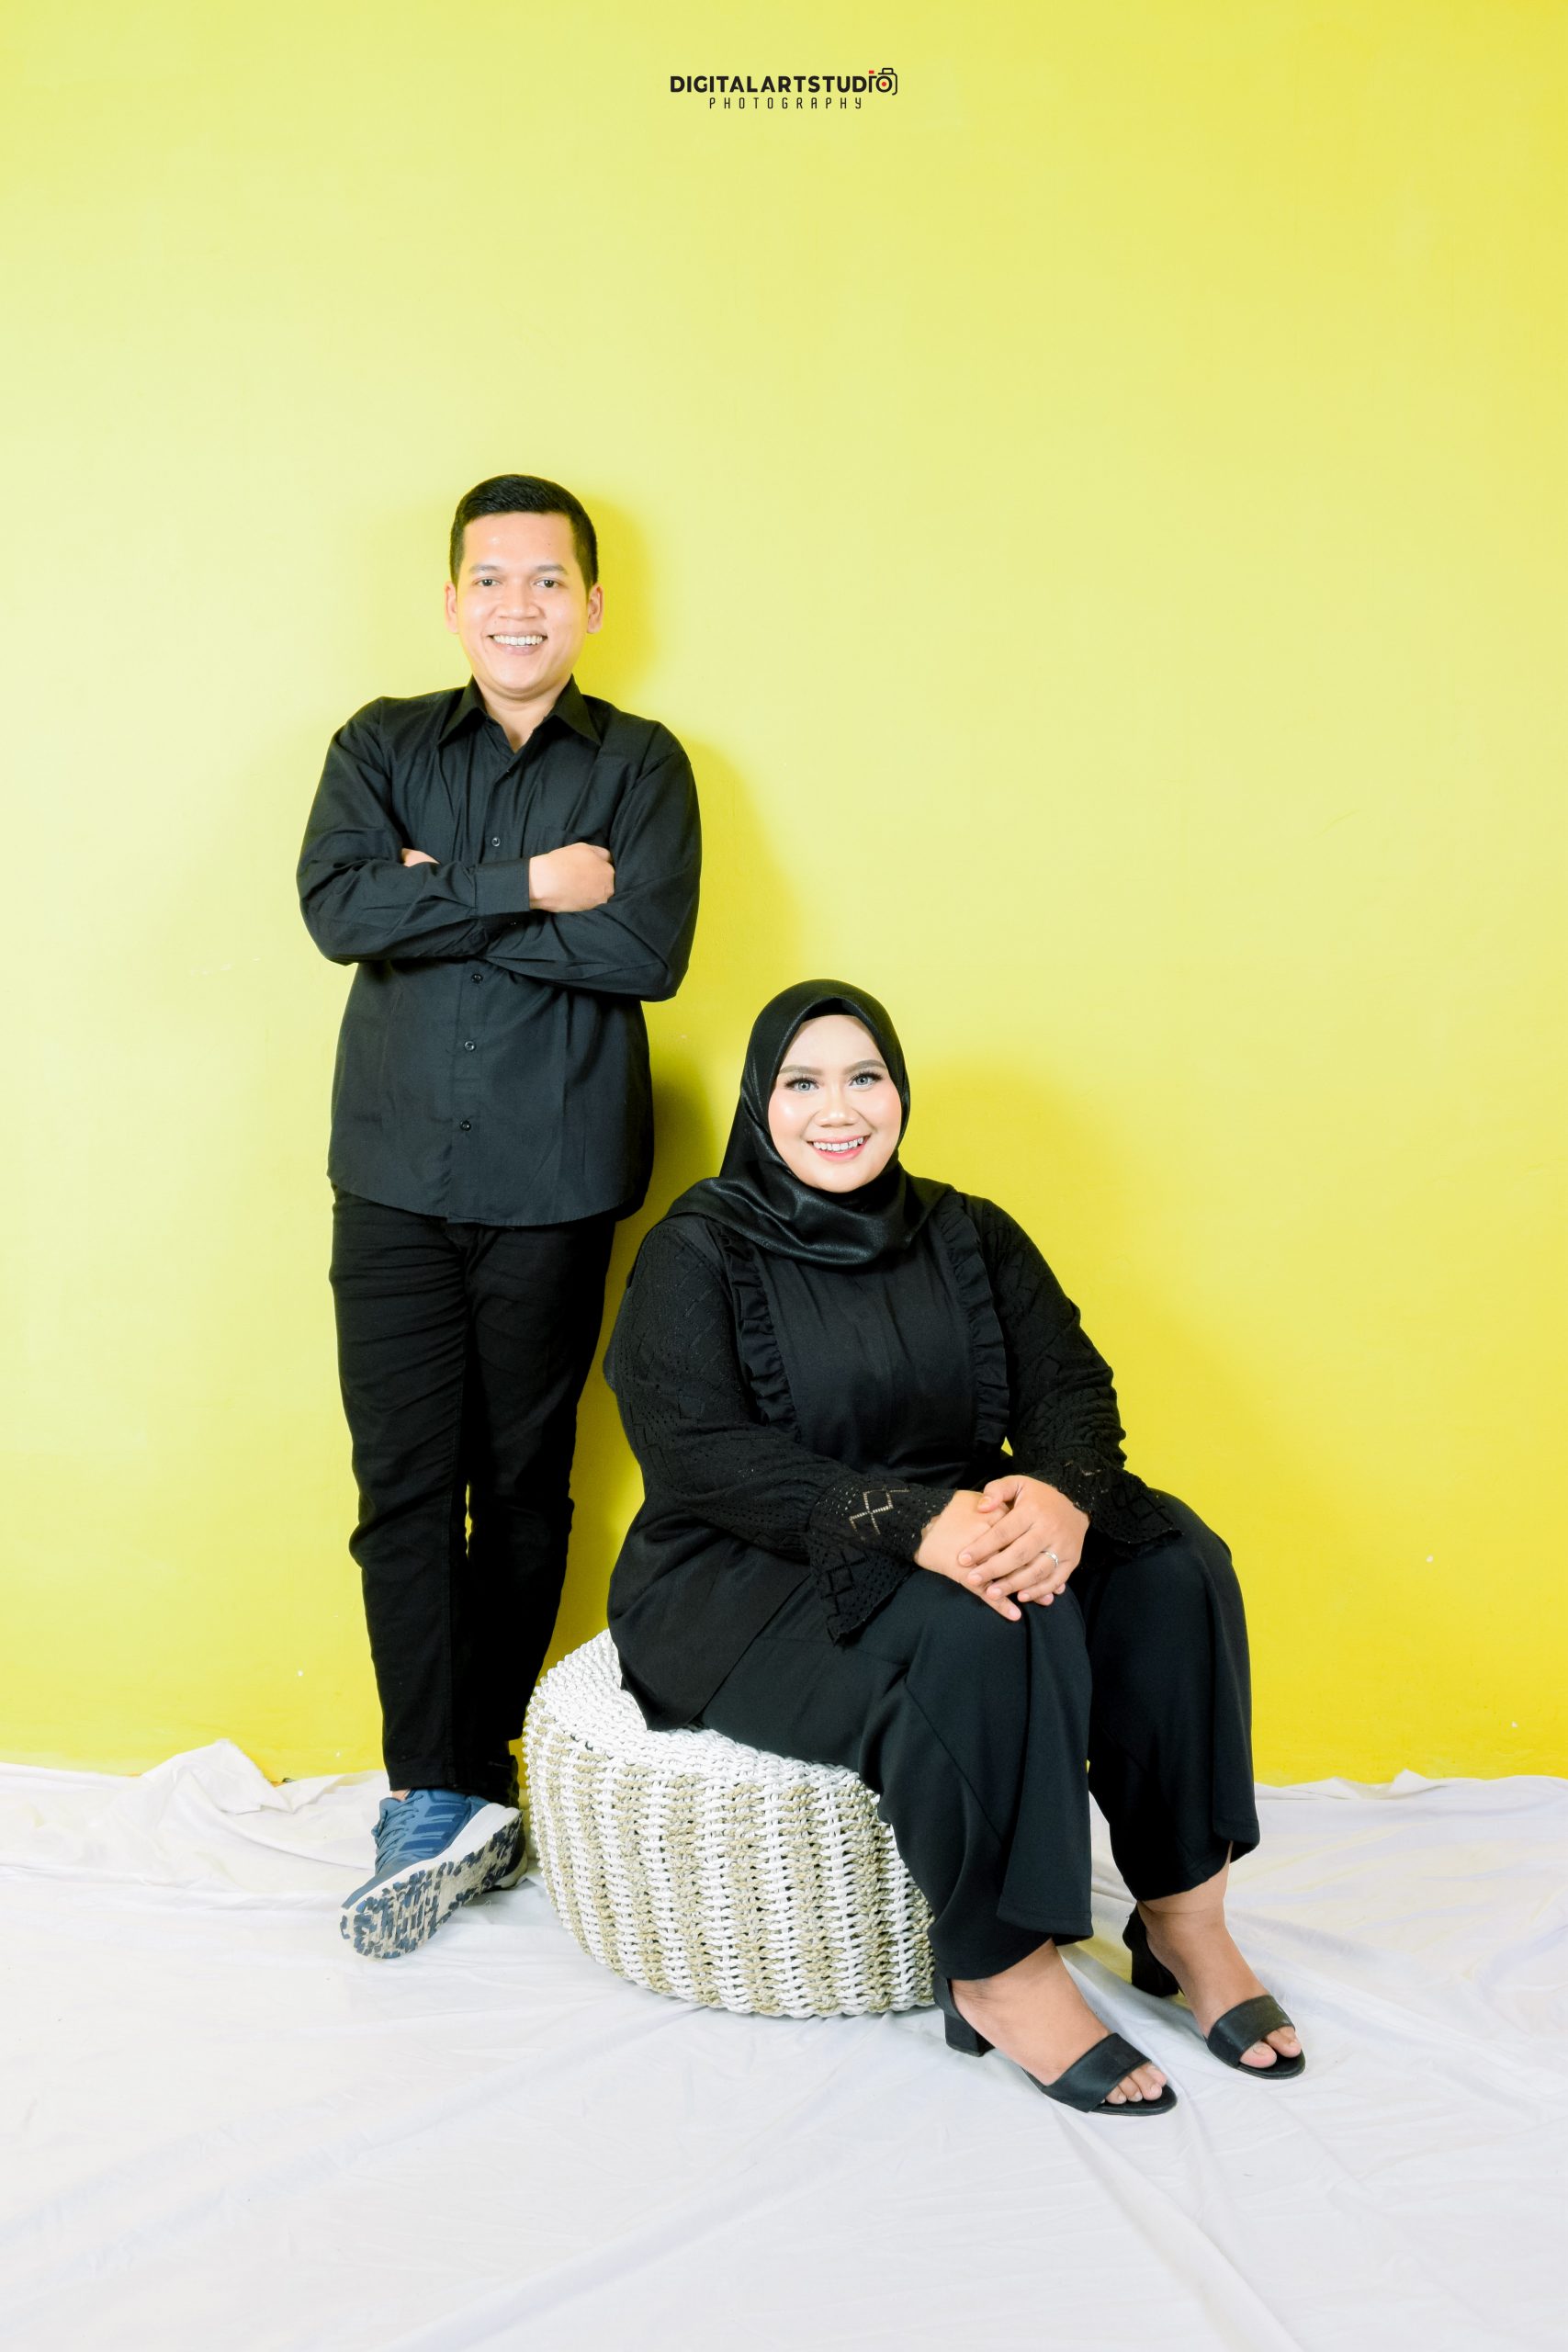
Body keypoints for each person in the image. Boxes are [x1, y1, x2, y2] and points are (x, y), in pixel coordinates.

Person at [603, 981, 1304, 2113]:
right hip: (747, 1568)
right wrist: (912, 1522)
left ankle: (1186, 1918)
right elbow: (696, 1453)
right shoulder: (700, 1247)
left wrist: (1064, 1496)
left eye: (865, 1077)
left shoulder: (968, 1228)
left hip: (955, 1519)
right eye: (803, 1082)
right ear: (760, 1101)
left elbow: (1071, 1388)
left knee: (1173, 1564)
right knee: (982, 1624)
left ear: (899, 1091)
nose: (839, 1109)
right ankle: (1001, 1969)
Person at [299, 474, 701, 1959]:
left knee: (524, 1486)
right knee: (402, 1488)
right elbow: (339, 913)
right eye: (490, 579)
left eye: (545, 581)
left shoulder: (644, 763)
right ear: (452, 600)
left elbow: (646, 949)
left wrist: (439, 905)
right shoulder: (379, 744)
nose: (516, 606)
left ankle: (481, 1773)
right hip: (391, 1177)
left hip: (557, 1183)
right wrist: (531, 887)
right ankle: (435, 1790)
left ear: (590, 604)